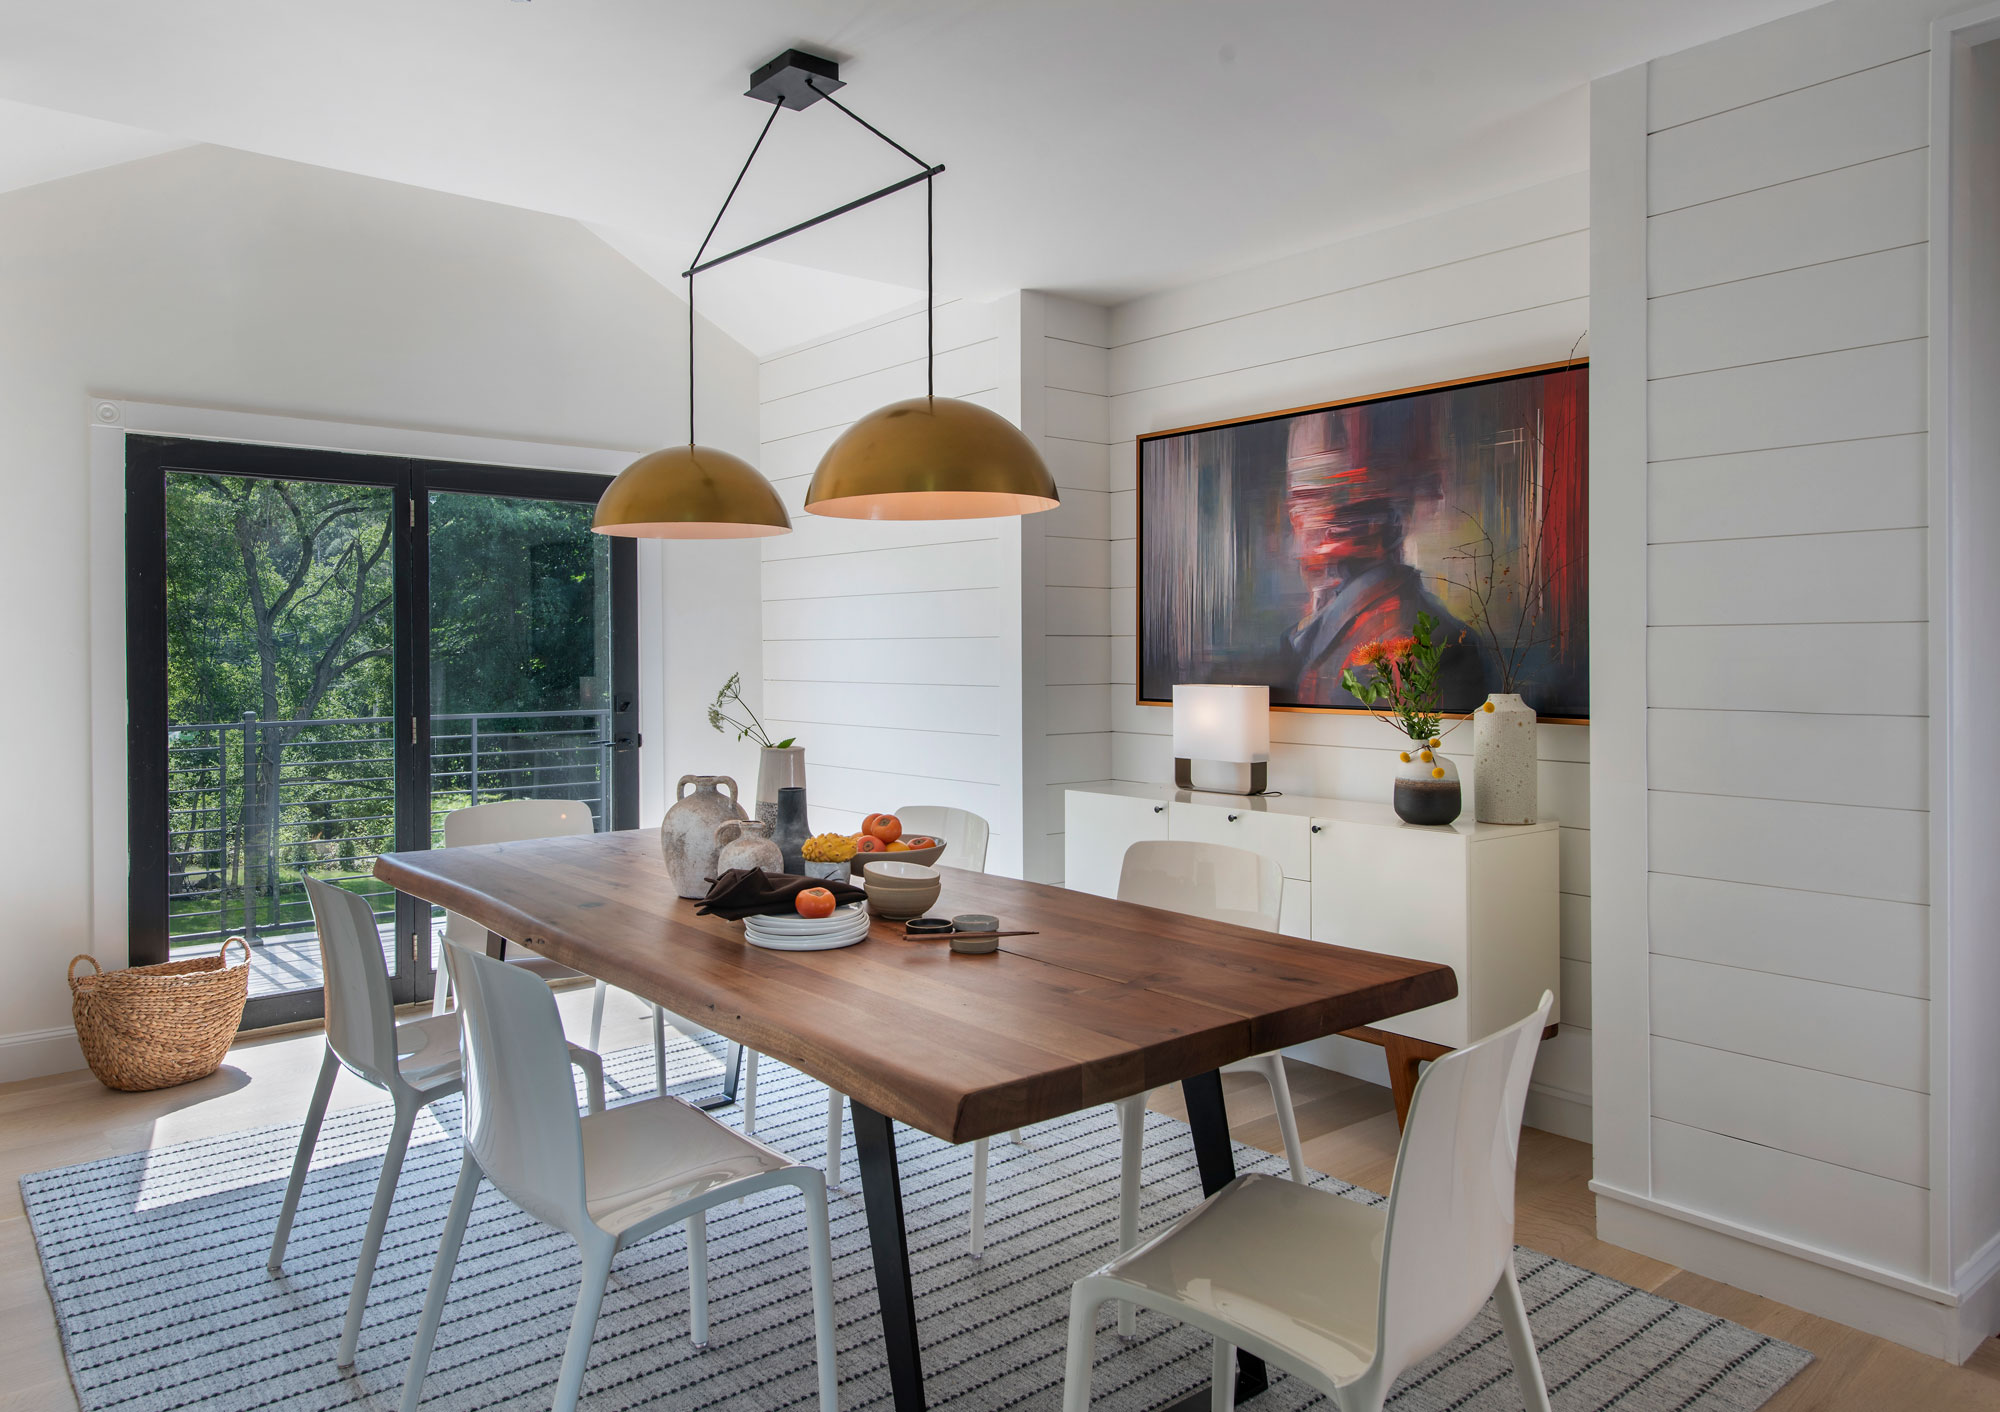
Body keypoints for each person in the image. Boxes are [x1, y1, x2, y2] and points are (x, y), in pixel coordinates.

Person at [1279, 405, 1488, 708]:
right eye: (1300, 493)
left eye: (1329, 492)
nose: (1302, 515)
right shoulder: (1316, 626)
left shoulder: (1422, 644)